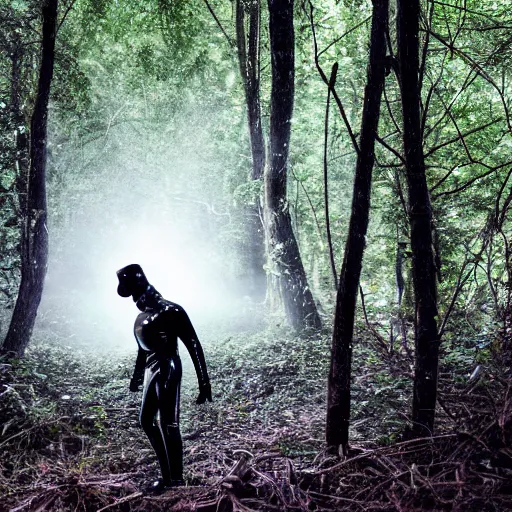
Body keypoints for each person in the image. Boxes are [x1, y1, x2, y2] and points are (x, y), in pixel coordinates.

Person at [116, 264, 212, 494]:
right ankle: (168, 475)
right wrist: (137, 376)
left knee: (169, 423)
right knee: (146, 420)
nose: (131, 296)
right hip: (152, 366)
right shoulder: (143, 316)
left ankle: (176, 481)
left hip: (168, 365)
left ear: (139, 284)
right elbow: (142, 349)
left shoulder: (171, 311)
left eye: (129, 287)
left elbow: (193, 344)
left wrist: (204, 383)